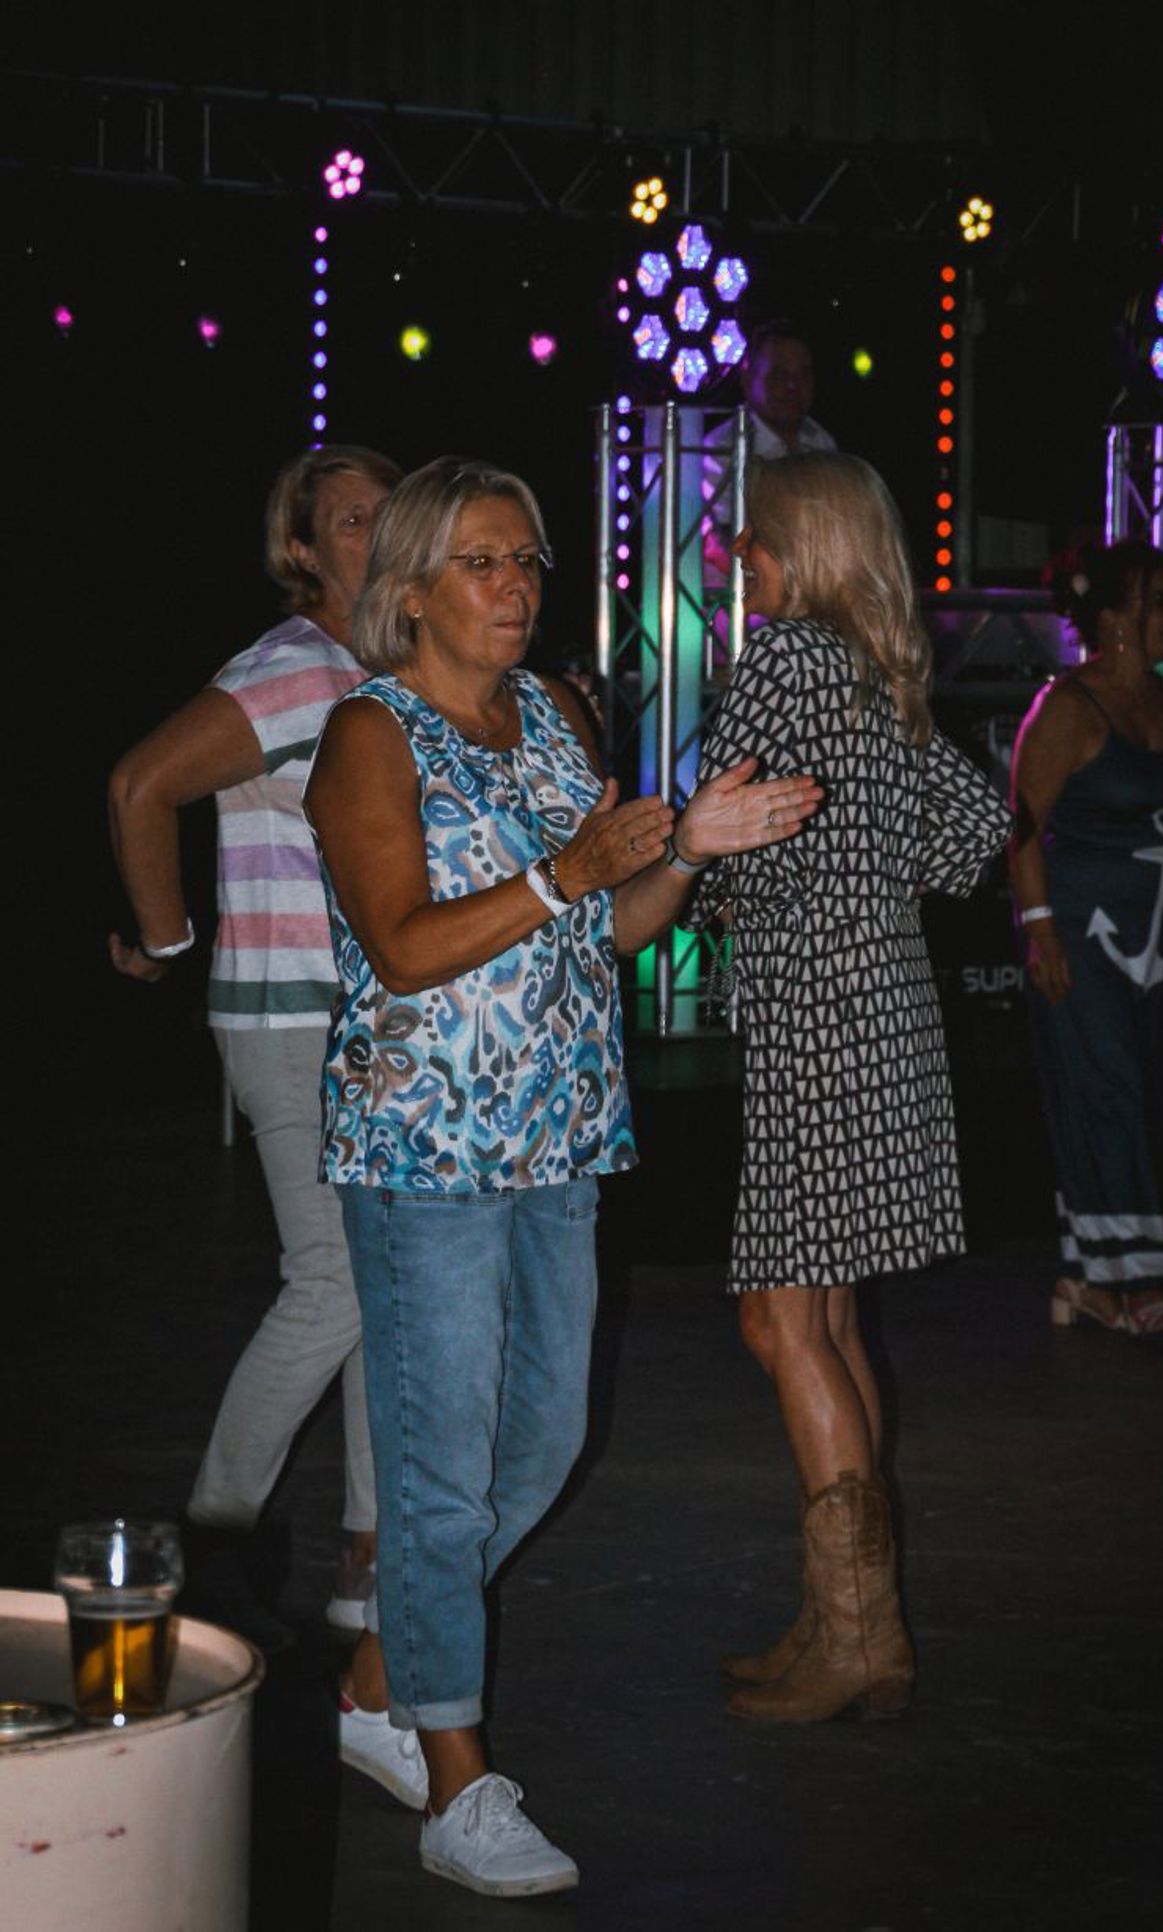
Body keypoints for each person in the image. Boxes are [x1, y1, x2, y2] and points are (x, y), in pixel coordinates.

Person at [304, 455, 821, 1898]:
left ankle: (377, 1681)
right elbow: (403, 946)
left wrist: (687, 852)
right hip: (428, 1152)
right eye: (480, 561)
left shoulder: (553, 715)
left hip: (564, 1133)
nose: (516, 585)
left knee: (538, 1447)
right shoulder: (368, 734)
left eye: (526, 559)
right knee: (439, 1476)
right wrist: (567, 875)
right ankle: (456, 1785)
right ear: (411, 589)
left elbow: (610, 930)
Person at [686, 450, 1010, 1725]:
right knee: (809, 1322)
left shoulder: (782, 663)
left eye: (753, 536)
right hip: (884, 1008)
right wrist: (868, 882)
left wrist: (714, 882)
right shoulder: (878, 673)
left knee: (788, 1326)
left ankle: (860, 1637)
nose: (737, 556)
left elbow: (732, 850)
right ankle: (845, 1619)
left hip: (815, 1021)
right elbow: (975, 832)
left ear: (802, 546)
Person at [108, 443, 401, 1638]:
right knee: (335, 1281)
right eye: (349, 520)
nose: (376, 534)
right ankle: (213, 1534)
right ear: (301, 549)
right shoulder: (292, 669)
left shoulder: (382, 670)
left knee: (379, 1282)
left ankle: (367, 1562)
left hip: (364, 1021)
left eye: (389, 514)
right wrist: (167, 940)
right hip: (289, 1019)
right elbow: (140, 785)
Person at [1008, 540, 1163, 1336]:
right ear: (1113, 619)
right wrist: (1041, 933)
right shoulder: (1068, 709)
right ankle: (1139, 1277)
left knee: (1129, 1093)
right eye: (1161, 601)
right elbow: (1021, 830)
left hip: (1152, 939)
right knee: (1111, 1092)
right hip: (1080, 936)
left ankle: (1086, 1276)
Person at [703, 319, 838, 585]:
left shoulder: (823, 444)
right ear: (747, 379)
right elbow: (718, 544)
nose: (792, 386)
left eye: (803, 375)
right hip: (739, 601)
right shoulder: (721, 449)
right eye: (779, 375)